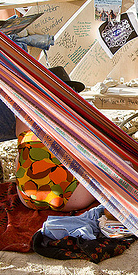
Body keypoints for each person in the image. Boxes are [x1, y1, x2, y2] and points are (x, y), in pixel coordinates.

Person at [14, 67, 96, 212]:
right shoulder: (75, 116)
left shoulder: (22, 116)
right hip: (72, 200)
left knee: (24, 150)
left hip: (28, 198)